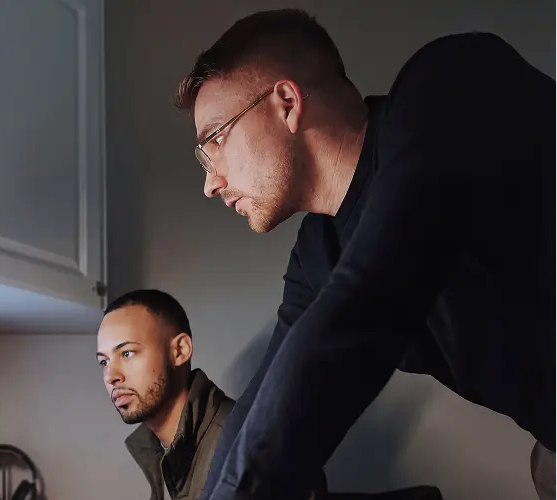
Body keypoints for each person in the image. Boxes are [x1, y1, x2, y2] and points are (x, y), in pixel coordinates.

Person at [173, 9, 556, 500]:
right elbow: (265, 402)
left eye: (214, 140)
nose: (210, 183)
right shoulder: (318, 254)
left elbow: (371, 299)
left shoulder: (449, 87)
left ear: (287, 103)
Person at [97, 290, 321, 499]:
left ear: (180, 350)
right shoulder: (160, 449)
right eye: (104, 362)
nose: (111, 376)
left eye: (127, 353)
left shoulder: (241, 447)